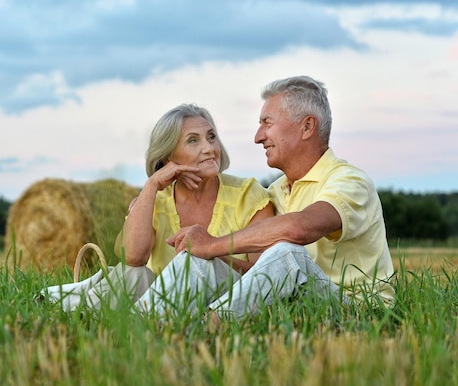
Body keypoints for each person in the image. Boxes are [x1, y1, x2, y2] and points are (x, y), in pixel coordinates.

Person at [135, 76, 395, 322]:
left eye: (266, 123)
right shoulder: (277, 191)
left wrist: (212, 245)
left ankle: (210, 327)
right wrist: (209, 259)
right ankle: (141, 328)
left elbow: (298, 229)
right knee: (200, 262)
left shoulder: (350, 182)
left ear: (307, 127)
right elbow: (263, 273)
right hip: (293, 305)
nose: (258, 137)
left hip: (358, 312)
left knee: (287, 253)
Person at [41, 103, 273, 311]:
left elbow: (266, 275)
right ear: (167, 158)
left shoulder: (248, 195)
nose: (209, 148)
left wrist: (210, 254)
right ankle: (71, 308)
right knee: (134, 274)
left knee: (194, 262)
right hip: (166, 302)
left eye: (211, 137)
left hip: (227, 298)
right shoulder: (154, 201)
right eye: (193, 140)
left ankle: (131, 320)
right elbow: (132, 258)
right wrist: (151, 186)